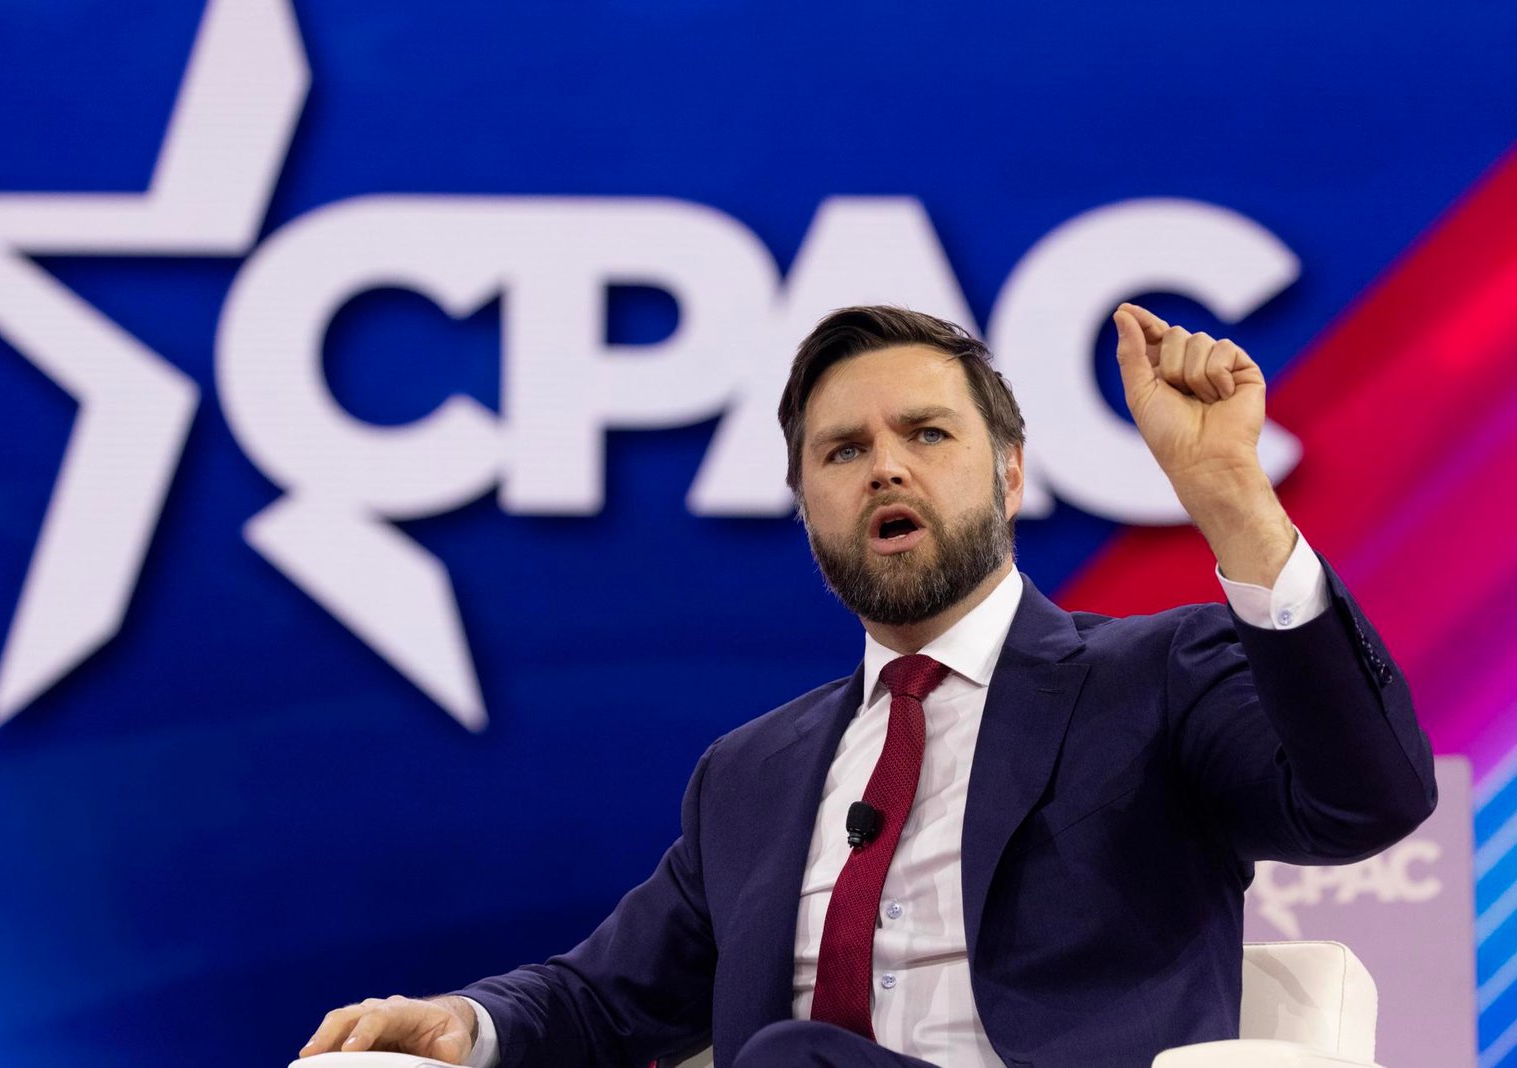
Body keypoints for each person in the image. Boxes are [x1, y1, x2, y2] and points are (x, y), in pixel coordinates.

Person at [299, 303, 1436, 1068]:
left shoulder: (1151, 676)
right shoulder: (751, 775)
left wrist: (1232, 494)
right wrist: (465, 1023)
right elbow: (606, 996)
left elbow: (1368, 799)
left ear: (1008, 474)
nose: (885, 465)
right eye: (842, 452)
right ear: (807, 508)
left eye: (927, 434)